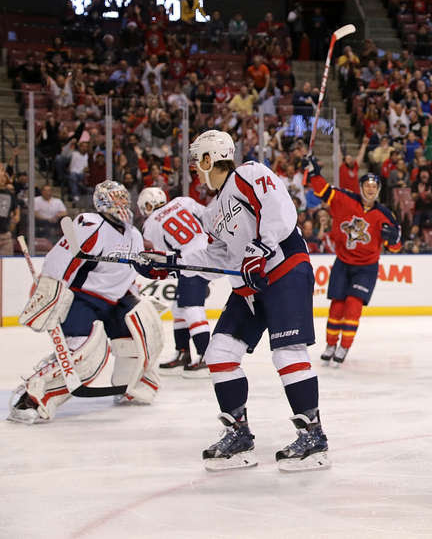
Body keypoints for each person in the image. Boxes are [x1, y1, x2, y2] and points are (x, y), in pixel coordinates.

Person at [140, 130, 328, 472]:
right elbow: (215, 257)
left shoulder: (250, 174)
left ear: (210, 158)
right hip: (250, 286)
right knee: (220, 352)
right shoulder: (212, 212)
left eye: (198, 161)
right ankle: (239, 436)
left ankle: (314, 439)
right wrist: (169, 262)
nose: (195, 169)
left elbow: (279, 210)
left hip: (284, 270)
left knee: (287, 353)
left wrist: (262, 247)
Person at [10, 181, 163, 424]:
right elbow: (60, 259)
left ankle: (129, 386)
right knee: (84, 355)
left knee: (139, 334)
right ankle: (31, 398)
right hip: (83, 298)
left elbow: (129, 272)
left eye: (124, 198)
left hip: (116, 301)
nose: (122, 203)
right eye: (116, 198)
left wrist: (136, 292)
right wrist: (50, 290)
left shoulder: (133, 234)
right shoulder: (90, 224)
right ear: (102, 202)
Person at [306, 161, 401, 365]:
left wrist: (393, 240)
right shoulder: (345, 199)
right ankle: (331, 344)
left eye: (374, 186)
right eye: (367, 185)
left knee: (353, 306)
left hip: (367, 267)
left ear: (379, 190)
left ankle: (344, 346)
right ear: (360, 187)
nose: (370, 189)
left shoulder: (385, 215)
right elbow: (323, 191)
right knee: (337, 306)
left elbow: (395, 247)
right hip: (343, 262)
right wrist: (314, 174)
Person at [138, 187, 212, 377]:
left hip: (191, 262)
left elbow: (164, 256)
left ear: (146, 206)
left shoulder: (150, 225)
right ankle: (183, 353)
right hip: (210, 253)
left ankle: (207, 357)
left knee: (191, 307)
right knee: (179, 307)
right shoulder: (183, 201)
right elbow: (209, 217)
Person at [0, 166, 20, 254]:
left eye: (4, 177)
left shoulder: (10, 195)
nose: (2, 179)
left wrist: (16, 217)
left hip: (5, 235)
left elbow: (16, 209)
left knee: (7, 259)